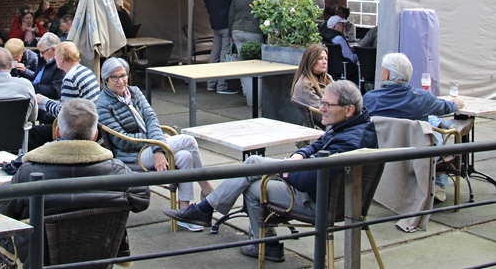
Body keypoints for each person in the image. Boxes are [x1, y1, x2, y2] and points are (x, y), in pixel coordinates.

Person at [164, 80, 377, 262]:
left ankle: (265, 243)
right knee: (253, 164)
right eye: (322, 102)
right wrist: (301, 154)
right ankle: (213, 213)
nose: (321, 108)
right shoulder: (352, 126)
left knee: (253, 185)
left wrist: (285, 171)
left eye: (327, 105)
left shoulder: (350, 140)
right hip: (322, 192)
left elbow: (310, 178)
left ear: (348, 109)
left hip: (320, 201)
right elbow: (319, 145)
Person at [0, 98, 151, 269]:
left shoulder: (30, 171)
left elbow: (6, 209)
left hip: (39, 259)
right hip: (98, 256)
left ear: (57, 132)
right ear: (95, 135)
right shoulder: (117, 170)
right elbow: (142, 200)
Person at [96, 57, 214, 232]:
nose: (121, 81)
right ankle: (208, 190)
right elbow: (123, 140)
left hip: (150, 146)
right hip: (133, 156)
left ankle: (185, 212)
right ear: (106, 79)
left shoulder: (134, 92)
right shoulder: (102, 104)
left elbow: (151, 119)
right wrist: (158, 145)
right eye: (115, 77)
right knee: (188, 140)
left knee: (185, 156)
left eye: (123, 75)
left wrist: (157, 146)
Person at [364, 52, 464, 202]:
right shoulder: (422, 98)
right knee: (436, 132)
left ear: (386, 74)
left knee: (427, 122)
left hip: (382, 150)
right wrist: (456, 103)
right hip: (418, 152)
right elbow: (446, 107)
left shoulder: (370, 98)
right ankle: (438, 185)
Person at [36, 42, 99, 123]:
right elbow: (66, 104)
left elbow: (63, 114)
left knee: (34, 129)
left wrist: (43, 101)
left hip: (81, 125)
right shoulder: (86, 70)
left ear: (61, 59)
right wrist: (46, 101)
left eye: (56, 56)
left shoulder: (70, 78)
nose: (54, 58)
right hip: (90, 119)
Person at [204, 0, 237, 94]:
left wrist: (212, 13)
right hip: (225, 23)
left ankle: (210, 83)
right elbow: (233, 2)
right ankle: (221, 85)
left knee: (214, 53)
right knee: (224, 53)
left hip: (215, 23)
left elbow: (206, 1)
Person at [291, 44, 334, 127]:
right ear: (310, 60)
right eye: (320, 58)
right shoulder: (305, 85)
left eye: (326, 59)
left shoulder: (328, 78)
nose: (324, 62)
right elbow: (322, 113)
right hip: (327, 127)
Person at [30, 33, 65, 103]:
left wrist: (32, 86)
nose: (41, 55)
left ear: (54, 49)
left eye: (43, 52)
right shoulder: (43, 61)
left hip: (45, 102)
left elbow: (55, 91)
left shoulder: (60, 65)